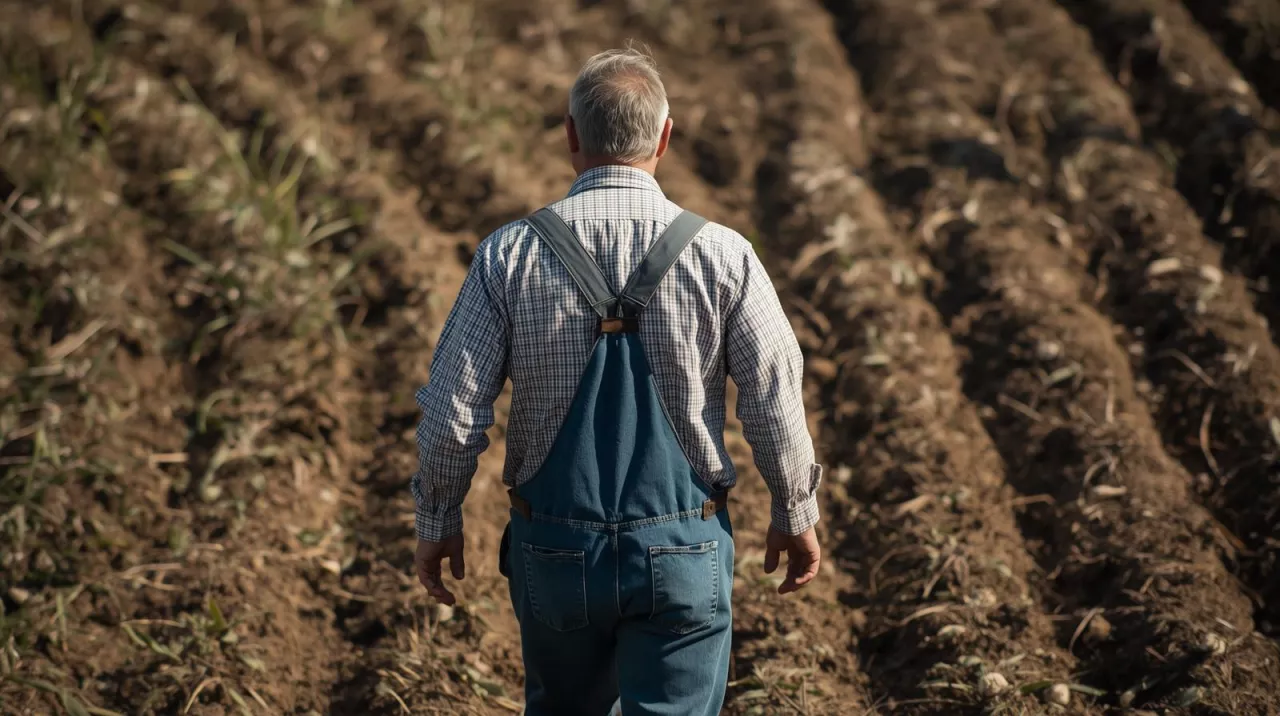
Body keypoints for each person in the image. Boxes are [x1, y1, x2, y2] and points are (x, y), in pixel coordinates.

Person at [411, 46, 822, 716]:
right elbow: (774, 392)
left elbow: (455, 411)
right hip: (685, 546)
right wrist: (794, 509)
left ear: (571, 137)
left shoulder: (507, 255)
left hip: (553, 548)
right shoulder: (724, 254)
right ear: (666, 136)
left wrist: (439, 515)